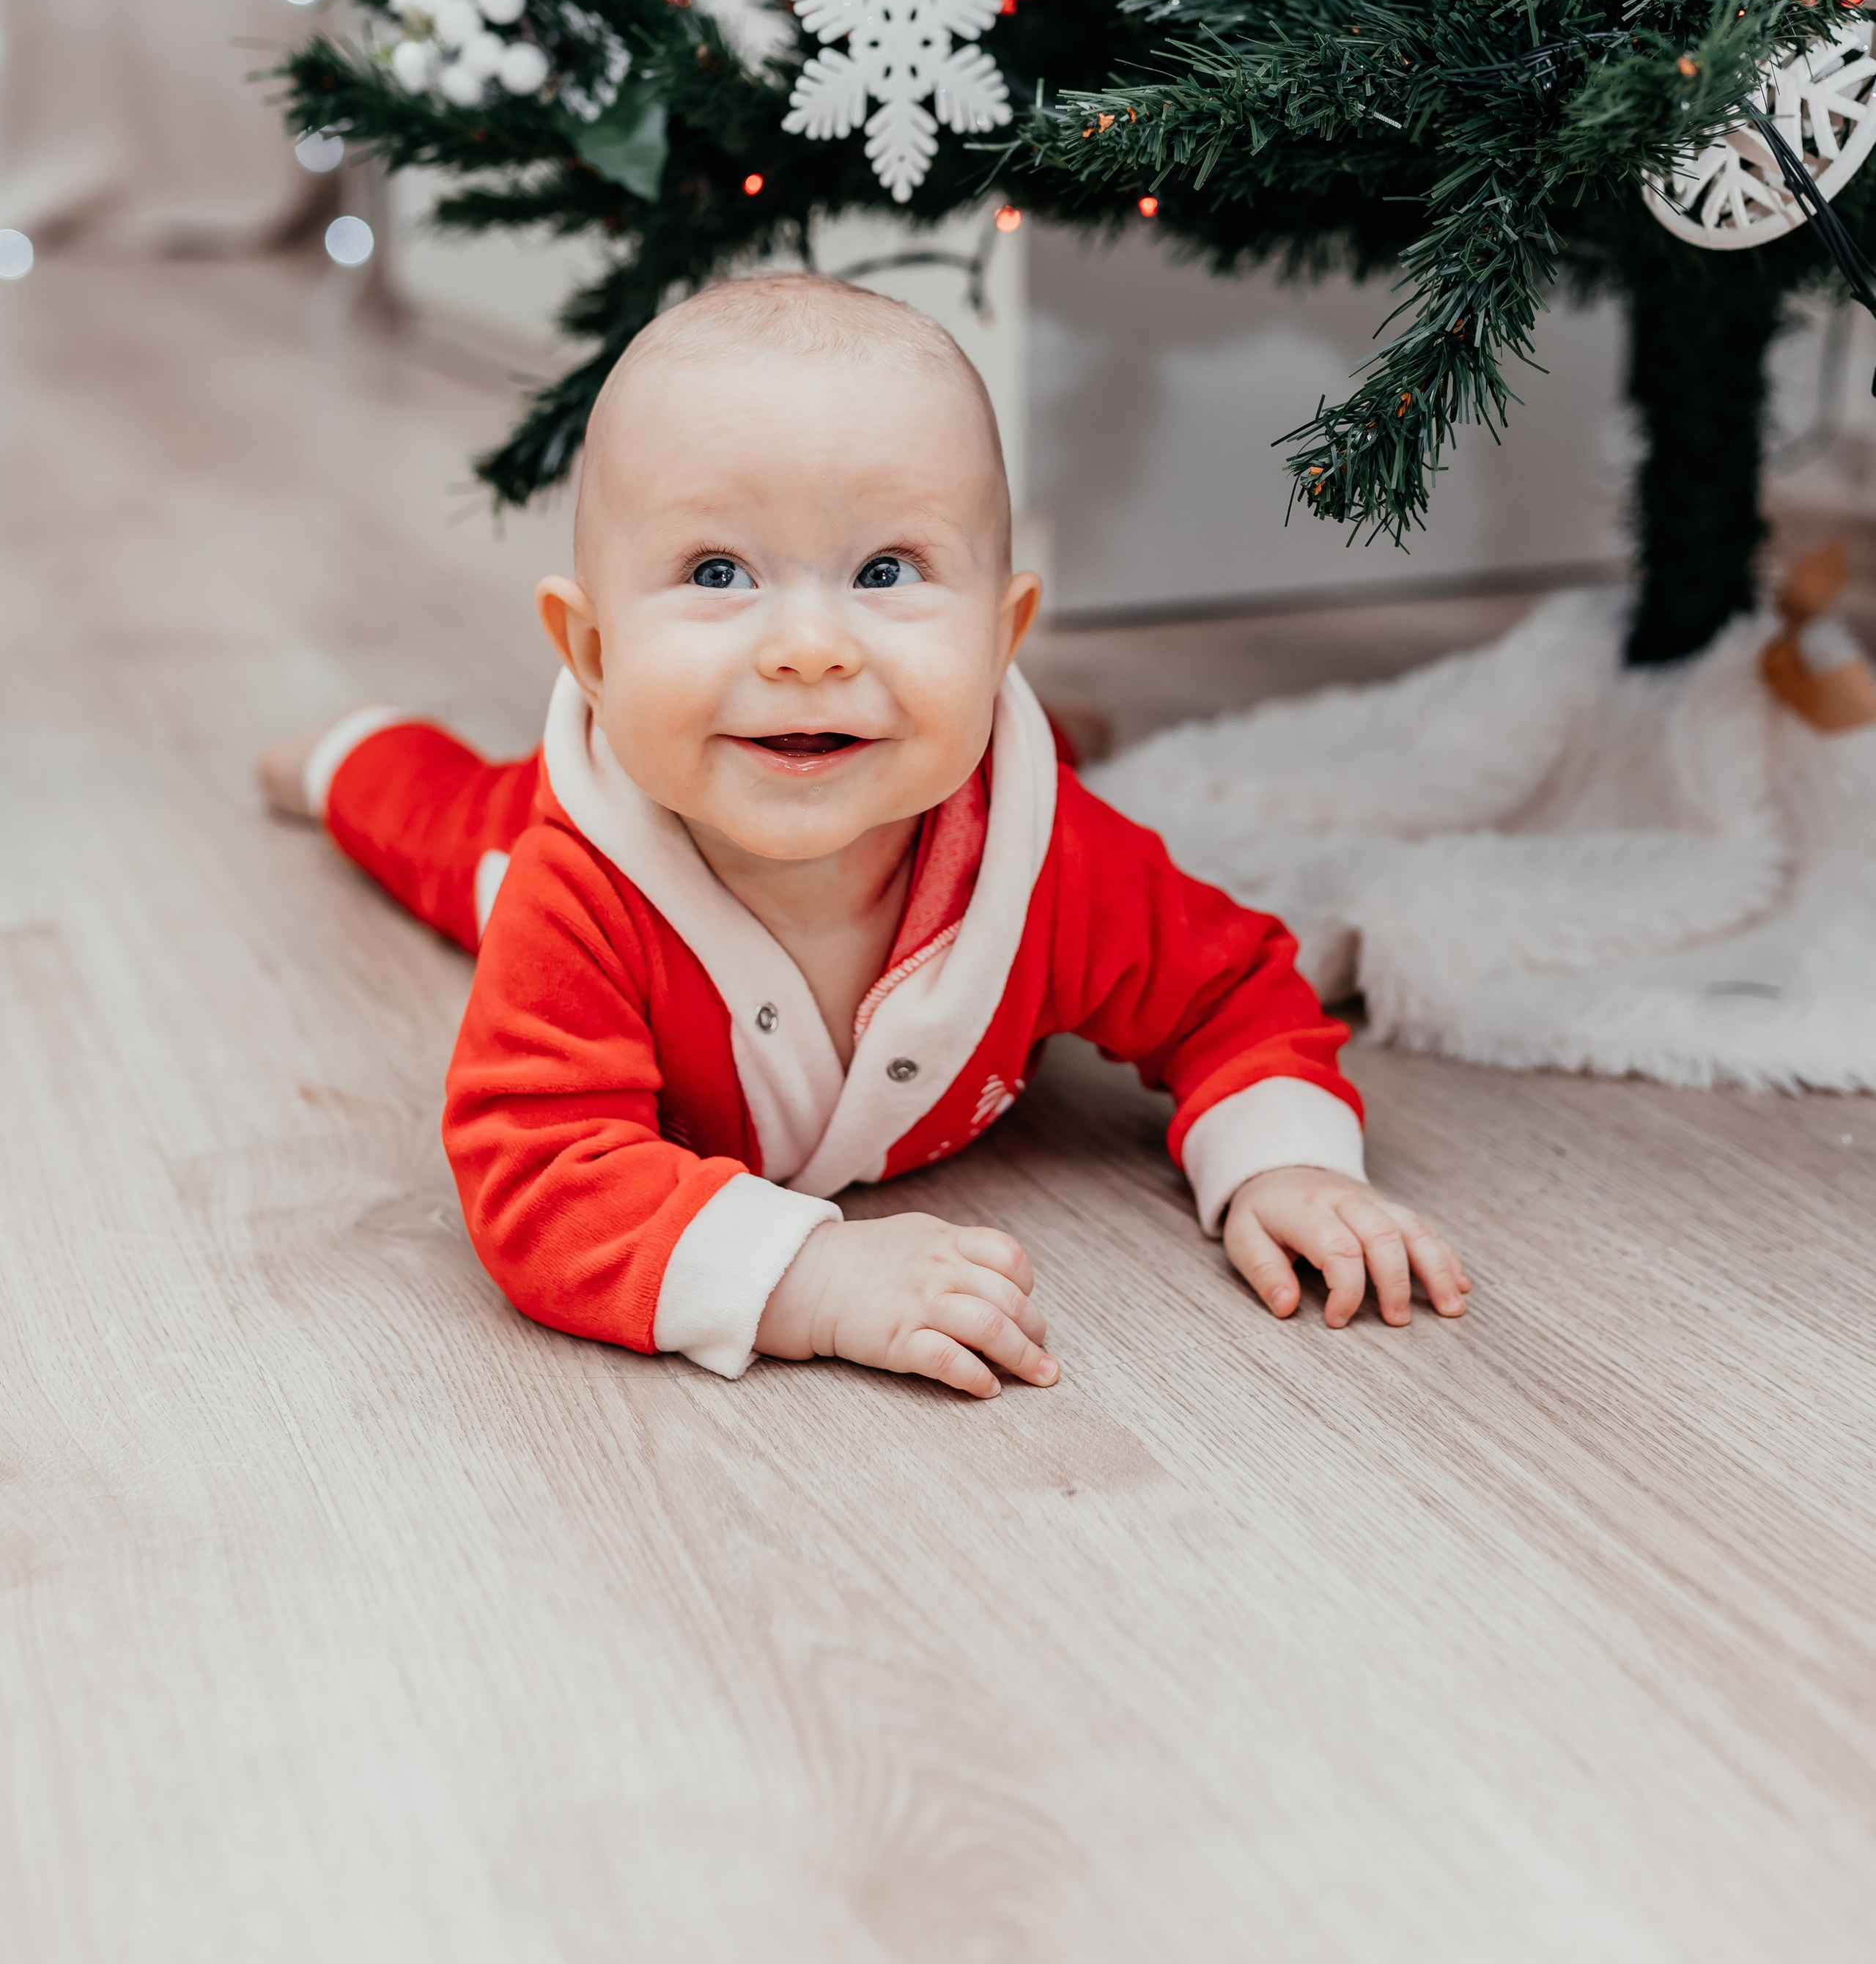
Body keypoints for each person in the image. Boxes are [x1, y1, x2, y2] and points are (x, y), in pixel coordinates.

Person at [259, 273, 1467, 1395]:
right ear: (592, 653)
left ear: (1002, 644)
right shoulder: (575, 888)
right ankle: (349, 752)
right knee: (440, 832)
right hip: (534, 841)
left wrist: (1284, 1157)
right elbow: (538, 1170)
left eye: (886, 570)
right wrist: (809, 1278)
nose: (808, 648)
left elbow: (1231, 989)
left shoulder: (1046, 858)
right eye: (719, 570)